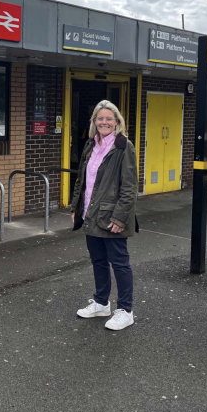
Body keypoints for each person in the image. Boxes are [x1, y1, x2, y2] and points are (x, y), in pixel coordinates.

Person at [69, 100, 139, 331]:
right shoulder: (91, 145)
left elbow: (129, 187)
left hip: (112, 216)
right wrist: (76, 208)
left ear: (117, 122)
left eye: (109, 118)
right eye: (100, 118)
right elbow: (82, 181)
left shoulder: (123, 147)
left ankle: (125, 310)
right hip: (91, 213)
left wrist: (120, 218)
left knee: (119, 263)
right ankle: (101, 303)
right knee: (98, 260)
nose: (104, 122)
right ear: (94, 122)